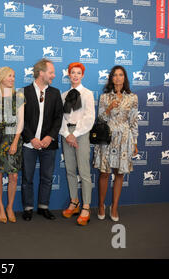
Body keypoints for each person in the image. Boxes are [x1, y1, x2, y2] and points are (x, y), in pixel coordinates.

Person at [93, 65, 138, 222]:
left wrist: (135, 143)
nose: (118, 77)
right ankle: (100, 205)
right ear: (111, 78)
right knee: (104, 173)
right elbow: (99, 121)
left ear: (124, 78)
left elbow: (133, 122)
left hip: (125, 139)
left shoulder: (132, 98)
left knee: (119, 173)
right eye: (115, 75)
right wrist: (108, 109)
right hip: (107, 138)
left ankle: (114, 207)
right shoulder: (105, 97)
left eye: (121, 75)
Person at [21, 58, 63, 221]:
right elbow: (20, 119)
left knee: (47, 177)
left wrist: (49, 137)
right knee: (27, 178)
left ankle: (43, 207)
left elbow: (58, 118)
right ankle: (28, 208)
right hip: (28, 144)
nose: (53, 75)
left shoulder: (55, 93)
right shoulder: (23, 92)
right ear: (41, 73)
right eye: (51, 72)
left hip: (48, 144)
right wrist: (31, 138)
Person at [59, 62, 95, 226]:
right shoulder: (64, 95)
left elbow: (89, 118)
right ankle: (74, 202)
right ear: (68, 75)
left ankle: (86, 206)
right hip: (66, 135)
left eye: (78, 73)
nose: (75, 75)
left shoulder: (87, 94)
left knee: (84, 171)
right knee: (70, 170)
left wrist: (75, 134)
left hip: (81, 134)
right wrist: (67, 134)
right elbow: (60, 118)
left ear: (83, 75)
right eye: (72, 72)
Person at [0, 67, 24, 223]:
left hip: (13, 137)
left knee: (14, 175)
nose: (12, 78)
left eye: (14, 76)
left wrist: (15, 141)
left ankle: (10, 206)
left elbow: (21, 121)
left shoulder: (19, 96)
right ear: (1, 77)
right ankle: (0, 207)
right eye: (10, 75)